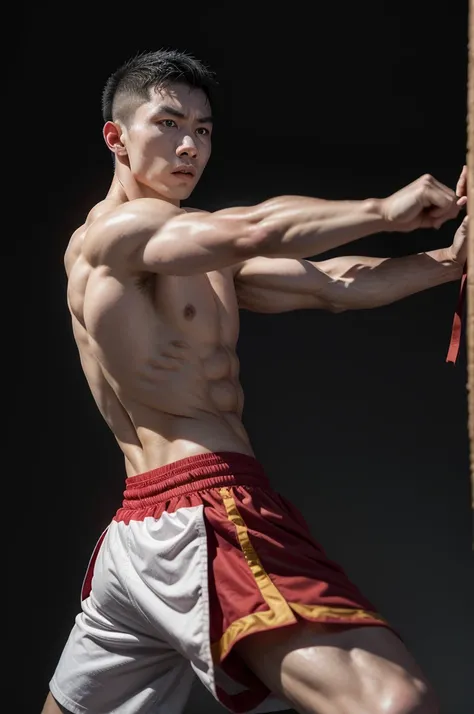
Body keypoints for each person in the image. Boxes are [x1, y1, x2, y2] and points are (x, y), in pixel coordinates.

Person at [43, 49, 467, 714]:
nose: (189, 146)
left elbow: (336, 285)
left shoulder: (199, 254)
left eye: (204, 130)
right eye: (169, 123)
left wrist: (452, 259)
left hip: (137, 534)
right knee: (393, 703)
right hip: (202, 511)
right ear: (116, 137)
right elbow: (260, 225)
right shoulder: (119, 233)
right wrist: (384, 208)